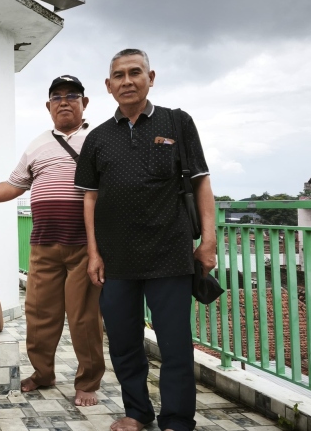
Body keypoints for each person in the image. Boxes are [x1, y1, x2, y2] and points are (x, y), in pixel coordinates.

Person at [74, 49, 216, 431]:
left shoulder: (177, 122)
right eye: (118, 75)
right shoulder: (97, 138)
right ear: (108, 86)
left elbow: (201, 181)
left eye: (135, 72)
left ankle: (177, 420)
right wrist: (93, 253)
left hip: (170, 253)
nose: (127, 81)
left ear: (150, 78)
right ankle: (137, 412)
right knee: (123, 343)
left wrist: (208, 241)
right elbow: (89, 198)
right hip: (116, 259)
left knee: (174, 345)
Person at [0, 75, 105, 406]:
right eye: (57, 97)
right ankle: (43, 373)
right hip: (43, 244)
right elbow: (14, 185)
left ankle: (88, 381)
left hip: (84, 246)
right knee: (39, 313)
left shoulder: (98, 140)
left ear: (84, 103)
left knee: (83, 317)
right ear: (48, 106)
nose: (64, 101)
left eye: (72, 95)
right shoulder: (37, 145)